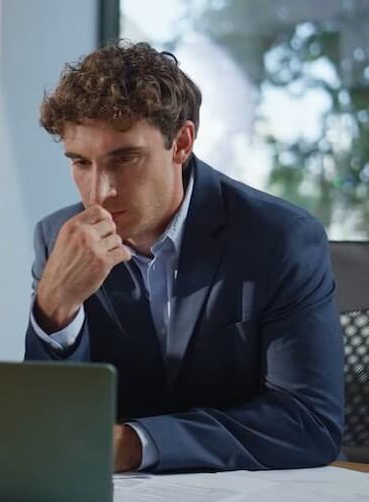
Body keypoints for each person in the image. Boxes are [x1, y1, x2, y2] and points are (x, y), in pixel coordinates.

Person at [25, 41, 343, 473]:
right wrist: (54, 312)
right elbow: (45, 425)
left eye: (125, 158)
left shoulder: (281, 238)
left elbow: (309, 424)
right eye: (80, 162)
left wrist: (137, 444)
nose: (99, 191)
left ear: (181, 143)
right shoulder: (57, 238)